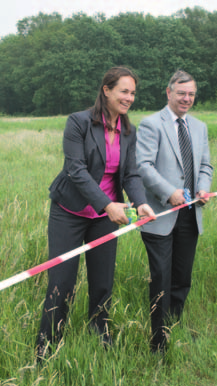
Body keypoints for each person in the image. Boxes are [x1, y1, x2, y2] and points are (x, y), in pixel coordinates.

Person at [36, 66, 155, 361]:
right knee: (61, 283)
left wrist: (139, 202)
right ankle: (46, 347)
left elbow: (131, 174)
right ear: (106, 90)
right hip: (70, 212)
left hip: (105, 218)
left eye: (133, 93)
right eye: (124, 91)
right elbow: (75, 170)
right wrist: (107, 204)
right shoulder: (78, 122)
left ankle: (100, 334)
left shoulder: (129, 129)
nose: (129, 98)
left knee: (102, 282)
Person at [136, 70, 213, 353]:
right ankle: (158, 340)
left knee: (182, 277)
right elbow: (143, 166)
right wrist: (169, 193)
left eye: (191, 93)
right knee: (161, 278)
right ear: (168, 93)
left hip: (191, 215)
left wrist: (203, 188)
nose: (187, 98)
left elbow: (205, 166)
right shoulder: (150, 124)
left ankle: (173, 326)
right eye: (181, 93)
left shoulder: (200, 127)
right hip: (160, 216)